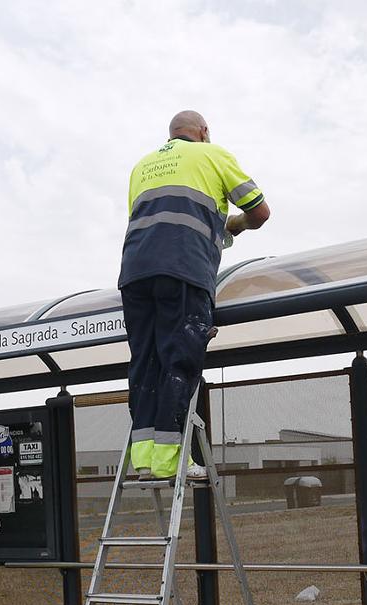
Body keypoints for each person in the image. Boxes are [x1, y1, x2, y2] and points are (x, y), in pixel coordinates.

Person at [119, 110, 271, 479]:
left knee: (145, 362)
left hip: (135, 272)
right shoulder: (213, 154)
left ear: (171, 135)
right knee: (180, 359)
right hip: (184, 270)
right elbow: (260, 211)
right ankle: (171, 463)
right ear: (203, 132)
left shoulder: (141, 167)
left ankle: (145, 462)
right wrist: (233, 224)